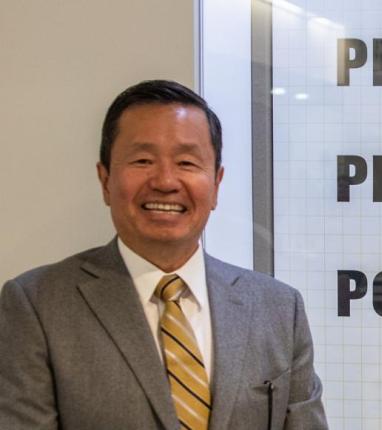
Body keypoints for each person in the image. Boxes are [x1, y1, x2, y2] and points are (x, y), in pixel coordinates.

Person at [0, 80, 328, 430]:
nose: (166, 181)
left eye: (187, 162)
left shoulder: (278, 308)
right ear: (105, 180)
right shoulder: (36, 304)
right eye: (143, 160)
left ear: (216, 184)